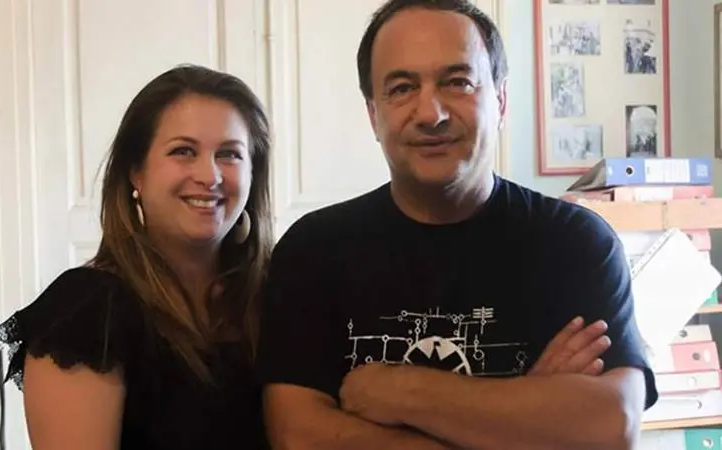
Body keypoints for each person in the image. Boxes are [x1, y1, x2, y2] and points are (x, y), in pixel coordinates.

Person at [256, 1, 657, 449]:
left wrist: (402, 392)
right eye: (402, 88)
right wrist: (525, 416)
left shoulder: (575, 244)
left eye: (457, 82)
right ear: (373, 114)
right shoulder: (313, 251)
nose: (431, 114)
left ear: (500, 100)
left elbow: (612, 426)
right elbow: (299, 436)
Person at [0, 64, 273, 449]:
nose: (209, 176)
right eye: (183, 151)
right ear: (135, 173)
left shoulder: (276, 292)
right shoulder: (87, 312)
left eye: (229, 154)